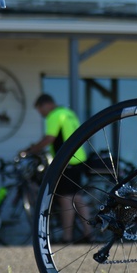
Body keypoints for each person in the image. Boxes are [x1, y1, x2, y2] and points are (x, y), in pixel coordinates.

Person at [22, 94, 91, 242]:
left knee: (65, 198)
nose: (42, 114)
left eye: (40, 110)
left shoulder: (54, 115)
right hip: (80, 158)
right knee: (77, 197)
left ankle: (67, 237)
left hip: (67, 160)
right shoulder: (68, 113)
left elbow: (49, 138)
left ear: (45, 105)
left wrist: (31, 150)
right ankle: (89, 232)